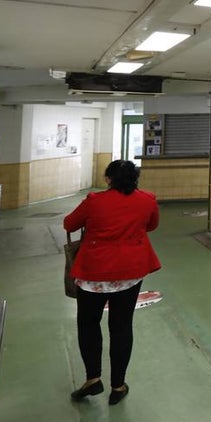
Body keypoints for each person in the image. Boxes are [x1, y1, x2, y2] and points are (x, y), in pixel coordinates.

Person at [63, 159, 161, 404]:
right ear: (135, 179)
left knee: (88, 324)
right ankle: (118, 386)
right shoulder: (147, 199)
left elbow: (69, 223)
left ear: (108, 179)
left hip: (94, 274)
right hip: (130, 273)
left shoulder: (95, 201)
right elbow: (152, 225)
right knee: (121, 327)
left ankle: (93, 379)